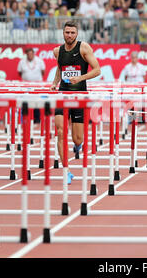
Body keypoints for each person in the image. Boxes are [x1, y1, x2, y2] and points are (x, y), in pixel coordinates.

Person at [50, 21, 101, 184]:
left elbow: (97, 69)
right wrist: (54, 83)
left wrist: (80, 78)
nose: (69, 35)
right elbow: (60, 68)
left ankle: (78, 145)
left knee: (78, 138)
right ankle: (66, 170)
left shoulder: (84, 48)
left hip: (79, 96)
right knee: (60, 131)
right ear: (63, 33)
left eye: (72, 33)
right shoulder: (57, 51)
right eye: (67, 32)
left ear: (77, 34)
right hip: (63, 95)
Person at [17, 47, 46, 124]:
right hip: (25, 85)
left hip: (37, 85)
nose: (30, 55)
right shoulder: (22, 62)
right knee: (25, 102)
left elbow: (43, 72)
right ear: (26, 54)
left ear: (33, 53)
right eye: (28, 54)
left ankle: (37, 120)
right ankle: (25, 120)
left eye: (31, 53)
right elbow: (19, 72)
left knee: (36, 102)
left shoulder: (39, 61)